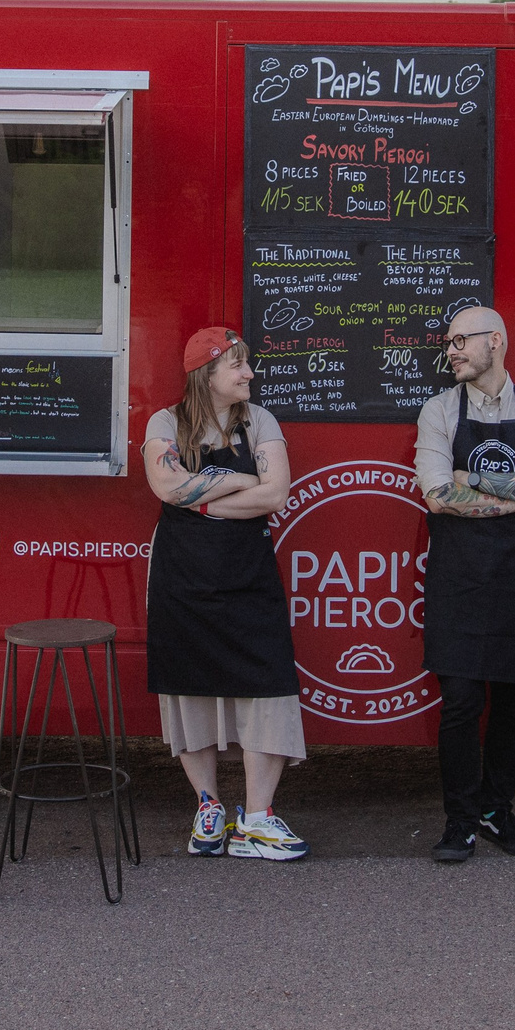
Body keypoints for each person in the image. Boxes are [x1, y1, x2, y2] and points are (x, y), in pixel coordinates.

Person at [141, 326, 308, 861]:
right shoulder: (164, 423)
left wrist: (205, 500)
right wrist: (240, 481)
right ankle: (208, 807)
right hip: (183, 579)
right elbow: (167, 487)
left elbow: (275, 494)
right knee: (188, 688)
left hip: (248, 575)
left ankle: (256, 820)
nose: (249, 373)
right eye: (237, 364)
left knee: (269, 688)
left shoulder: (260, 421)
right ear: (205, 374)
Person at [413, 304, 515, 862]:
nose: (451, 351)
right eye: (449, 343)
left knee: (513, 699)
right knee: (460, 701)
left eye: (461, 340)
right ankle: (459, 821)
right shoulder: (438, 410)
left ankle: (496, 811)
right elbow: (438, 495)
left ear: (495, 341)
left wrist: (474, 479)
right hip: (460, 575)